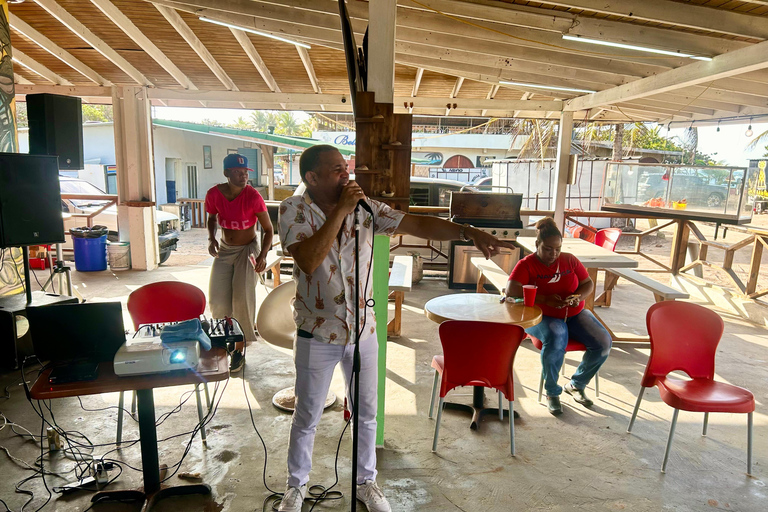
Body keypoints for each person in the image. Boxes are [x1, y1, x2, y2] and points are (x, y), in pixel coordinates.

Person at [277, 145, 512, 512]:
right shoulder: (293, 209)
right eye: (337, 169)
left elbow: (416, 222)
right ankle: (296, 487)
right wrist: (340, 211)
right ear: (312, 177)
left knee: (366, 412)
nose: (346, 174)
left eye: (346, 167)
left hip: (365, 330)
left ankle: (365, 482)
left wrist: (468, 232)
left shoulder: (366, 207)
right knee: (307, 415)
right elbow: (307, 260)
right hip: (317, 332)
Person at [505, 217, 612, 416]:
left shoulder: (569, 260)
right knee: (557, 336)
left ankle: (577, 384)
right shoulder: (527, 264)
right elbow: (511, 291)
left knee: (604, 342)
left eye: (557, 249)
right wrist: (545, 299)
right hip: (540, 317)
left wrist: (578, 297)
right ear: (537, 244)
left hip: (574, 313)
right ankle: (552, 392)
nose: (553, 254)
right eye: (547, 249)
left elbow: (587, 283)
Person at [205, 153, 274, 373]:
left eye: (245, 173)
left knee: (242, 297)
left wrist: (263, 255)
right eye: (237, 172)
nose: (243, 176)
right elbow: (211, 218)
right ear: (226, 173)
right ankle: (223, 339)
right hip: (225, 250)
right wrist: (211, 238)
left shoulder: (252, 196)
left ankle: (239, 349)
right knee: (217, 298)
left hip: (248, 249)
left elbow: (269, 229)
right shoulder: (214, 194)